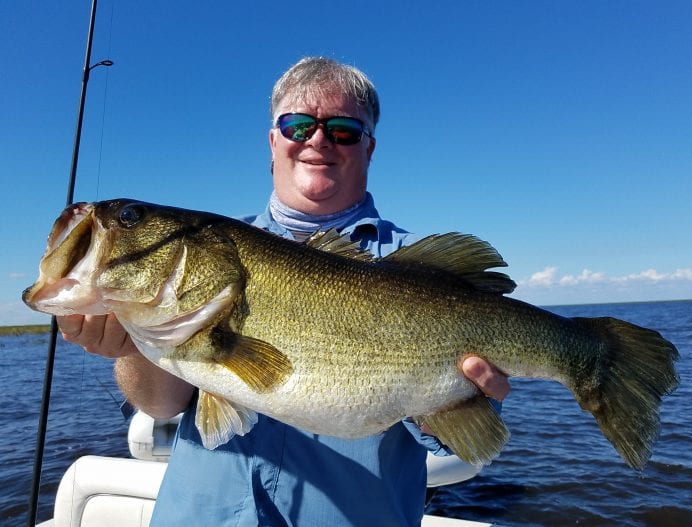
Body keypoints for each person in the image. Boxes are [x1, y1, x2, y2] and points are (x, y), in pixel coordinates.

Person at [57, 57, 511, 526]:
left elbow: (462, 440)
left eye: (342, 129)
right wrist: (131, 344)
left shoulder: (417, 266)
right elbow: (161, 405)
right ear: (273, 141)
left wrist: (464, 400)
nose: (317, 139)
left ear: (369, 148)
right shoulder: (213, 255)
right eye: (297, 126)